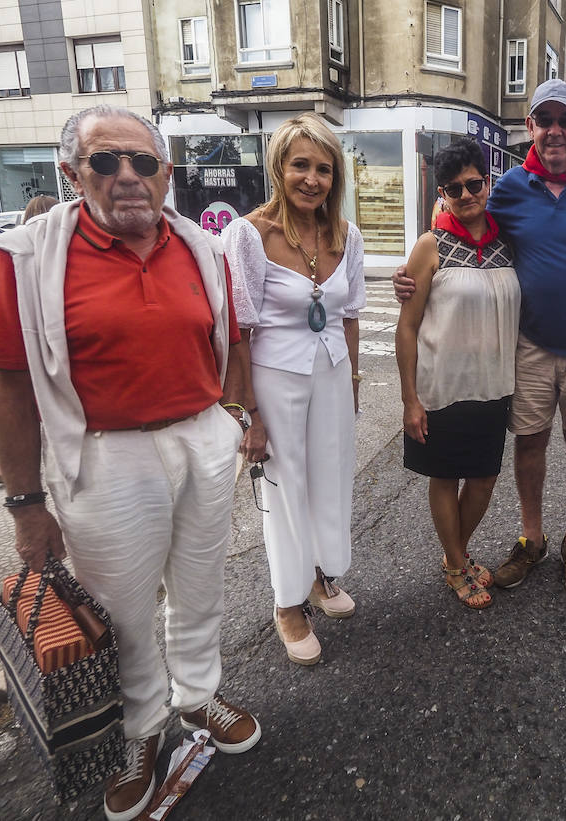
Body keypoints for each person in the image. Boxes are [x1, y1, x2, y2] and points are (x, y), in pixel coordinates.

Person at [0, 105, 261, 821]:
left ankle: (198, 693)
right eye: (107, 162)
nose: (128, 176)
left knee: (200, 588)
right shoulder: (25, 256)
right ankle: (140, 729)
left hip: (200, 436)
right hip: (104, 457)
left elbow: (234, 340)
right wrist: (25, 504)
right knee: (126, 611)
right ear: (73, 173)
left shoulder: (202, 245)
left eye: (143, 162)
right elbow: (7, 387)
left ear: (165, 173)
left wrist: (234, 418)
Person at [394, 79, 566, 598]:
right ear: (529, 126)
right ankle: (531, 538)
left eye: (565, 120)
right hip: (528, 345)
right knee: (529, 444)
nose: (554, 131)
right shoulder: (508, 186)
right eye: (544, 120)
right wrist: (412, 273)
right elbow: (458, 220)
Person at [224, 113, 364, 665]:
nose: (312, 179)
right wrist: (248, 415)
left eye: (324, 169)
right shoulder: (248, 234)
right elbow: (237, 328)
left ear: (336, 177)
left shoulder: (344, 234)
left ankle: (321, 576)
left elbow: (349, 316)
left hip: (331, 372)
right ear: (279, 167)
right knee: (283, 489)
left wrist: (353, 381)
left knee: (329, 479)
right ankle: (287, 605)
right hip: (273, 377)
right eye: (300, 165)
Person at [396, 138, 520, 609]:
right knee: (445, 478)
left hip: (492, 386)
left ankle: (456, 554)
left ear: (487, 183)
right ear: (442, 194)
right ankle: (454, 562)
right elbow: (406, 328)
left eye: (473, 184)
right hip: (441, 387)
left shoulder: (507, 239)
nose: (466, 195)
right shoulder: (430, 245)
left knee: (484, 478)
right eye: (454, 189)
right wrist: (410, 399)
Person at [0, 195, 60, 484]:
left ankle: (1, 464)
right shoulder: (23, 254)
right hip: (50, 364)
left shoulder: (20, 253)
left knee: (15, 396)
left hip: (28, 357)